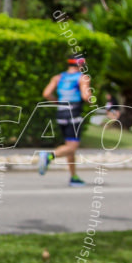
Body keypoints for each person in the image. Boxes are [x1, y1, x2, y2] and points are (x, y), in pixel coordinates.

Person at [39, 56, 92, 186]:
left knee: (70, 147)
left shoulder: (58, 77)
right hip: (73, 113)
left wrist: (57, 102)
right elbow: (86, 96)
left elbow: (46, 93)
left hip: (61, 113)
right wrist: (91, 98)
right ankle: (49, 156)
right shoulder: (82, 78)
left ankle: (73, 177)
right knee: (72, 146)